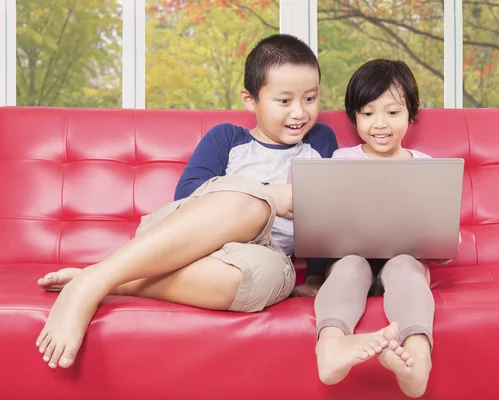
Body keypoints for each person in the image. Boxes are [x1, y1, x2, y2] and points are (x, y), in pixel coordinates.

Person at [35, 33, 338, 370]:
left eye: (310, 98)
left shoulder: (320, 141)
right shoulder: (227, 138)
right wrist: (268, 193)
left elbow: (326, 214)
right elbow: (188, 196)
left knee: (257, 283)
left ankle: (101, 277)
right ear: (250, 100)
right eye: (284, 101)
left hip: (260, 256)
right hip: (183, 242)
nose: (300, 112)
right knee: (255, 203)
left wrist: (314, 277)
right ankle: (89, 287)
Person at [312, 59, 459, 398]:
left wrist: (445, 243)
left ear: (412, 113)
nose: (380, 124)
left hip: (405, 262)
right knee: (349, 266)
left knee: (405, 268)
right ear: (354, 116)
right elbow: (326, 221)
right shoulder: (341, 161)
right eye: (367, 113)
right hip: (352, 259)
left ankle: (417, 360)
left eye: (392, 113)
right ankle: (331, 349)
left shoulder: (426, 167)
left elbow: (448, 235)